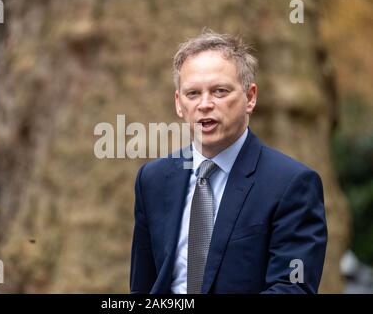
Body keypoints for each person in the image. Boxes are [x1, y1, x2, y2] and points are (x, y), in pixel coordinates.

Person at [130, 32, 327, 294]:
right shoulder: (152, 179)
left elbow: (292, 289)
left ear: (251, 97)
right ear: (179, 103)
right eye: (192, 93)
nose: (205, 104)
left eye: (219, 91)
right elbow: (142, 287)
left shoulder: (292, 184)